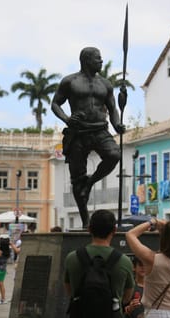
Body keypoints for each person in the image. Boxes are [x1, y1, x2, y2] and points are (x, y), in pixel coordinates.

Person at [51, 47, 125, 227]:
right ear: (86, 60)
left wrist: (117, 125)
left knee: (114, 155)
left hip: (100, 129)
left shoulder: (105, 84)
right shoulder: (70, 81)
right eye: (97, 58)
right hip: (78, 132)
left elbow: (112, 108)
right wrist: (67, 119)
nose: (101, 61)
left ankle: (90, 182)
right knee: (77, 178)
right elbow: (55, 104)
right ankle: (85, 221)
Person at [64, 209, 134, 316]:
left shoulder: (72, 258)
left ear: (89, 229)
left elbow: (70, 291)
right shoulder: (124, 261)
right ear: (114, 230)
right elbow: (127, 297)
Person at [126, 217, 170, 318]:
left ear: (163, 238)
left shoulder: (151, 259)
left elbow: (130, 234)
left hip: (155, 313)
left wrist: (152, 221)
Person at [0, 234, 19, 304]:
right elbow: (16, 251)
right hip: (3, 270)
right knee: (1, 284)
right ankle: (3, 299)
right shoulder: (8, 252)